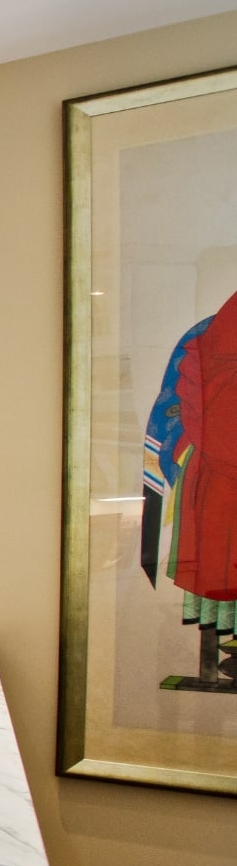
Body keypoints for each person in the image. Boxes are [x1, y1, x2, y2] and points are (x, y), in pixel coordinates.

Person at [142, 288, 236, 688]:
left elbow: (171, 421)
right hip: (215, 483)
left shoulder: (202, 334)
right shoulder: (206, 336)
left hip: (208, 483)